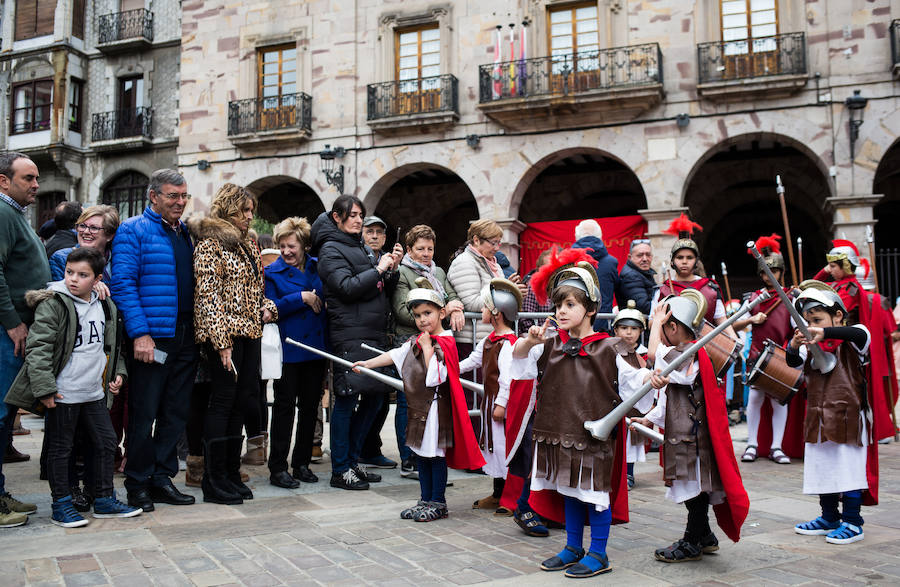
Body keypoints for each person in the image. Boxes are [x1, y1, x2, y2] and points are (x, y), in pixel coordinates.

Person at [511, 248, 658, 578]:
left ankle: (599, 553)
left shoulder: (611, 346)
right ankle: (573, 547)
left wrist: (653, 377)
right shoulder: (549, 344)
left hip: (591, 438)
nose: (561, 311)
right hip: (556, 433)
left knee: (594, 495)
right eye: (558, 305)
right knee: (568, 491)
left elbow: (637, 380)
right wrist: (529, 341)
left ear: (591, 308)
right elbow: (518, 364)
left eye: (570, 305)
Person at [5, 248, 140, 527]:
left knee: (105, 442)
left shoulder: (105, 305)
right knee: (61, 448)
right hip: (63, 392)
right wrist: (45, 388)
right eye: (69, 272)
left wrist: (118, 374)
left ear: (98, 278)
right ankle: (61, 505)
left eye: (82, 275)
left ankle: (103, 499)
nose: (73, 280)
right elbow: (38, 348)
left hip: (93, 393)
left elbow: (113, 348)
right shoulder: (54, 303)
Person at [353, 283, 484, 522]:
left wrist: (426, 349)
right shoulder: (421, 339)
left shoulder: (445, 342)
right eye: (417, 315)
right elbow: (396, 354)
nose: (422, 320)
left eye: (428, 313)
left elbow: (436, 377)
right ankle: (425, 499)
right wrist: (368, 364)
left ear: (441, 313)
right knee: (421, 455)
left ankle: (438, 502)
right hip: (419, 410)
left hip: (437, 410)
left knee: (435, 455)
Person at [634, 291, 749, 563]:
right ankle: (705, 536)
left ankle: (692, 541)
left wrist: (654, 323)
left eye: (662, 329)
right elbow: (672, 395)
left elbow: (653, 355)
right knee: (691, 488)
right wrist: (649, 418)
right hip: (684, 434)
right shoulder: (683, 356)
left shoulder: (689, 355)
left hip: (693, 437)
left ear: (673, 327)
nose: (659, 334)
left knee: (694, 490)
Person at [110, 168, 197, 512]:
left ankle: (163, 478)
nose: (180, 202)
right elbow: (123, 285)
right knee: (144, 415)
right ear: (154, 196)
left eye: (184, 196)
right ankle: (138, 484)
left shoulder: (187, 233)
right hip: (153, 339)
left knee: (175, 413)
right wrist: (140, 333)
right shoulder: (133, 231)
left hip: (186, 337)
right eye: (173, 196)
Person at [310, 196, 402, 490]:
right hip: (349, 332)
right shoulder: (330, 248)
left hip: (372, 331)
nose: (359, 220)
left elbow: (376, 286)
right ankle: (340, 469)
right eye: (352, 215)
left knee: (375, 398)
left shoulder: (357, 245)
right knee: (347, 398)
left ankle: (353, 460)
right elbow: (347, 288)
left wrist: (391, 268)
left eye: (361, 215)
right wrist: (377, 269)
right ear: (337, 217)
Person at [193, 184, 277, 504]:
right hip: (225, 334)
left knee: (244, 401)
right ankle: (213, 480)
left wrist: (268, 306)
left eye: (251, 210)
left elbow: (254, 290)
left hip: (250, 331)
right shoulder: (210, 243)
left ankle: (229, 472)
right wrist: (221, 339)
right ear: (228, 208)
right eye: (243, 210)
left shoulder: (247, 244)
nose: (249, 216)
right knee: (223, 400)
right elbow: (208, 295)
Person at [787, 285, 874, 544]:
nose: (811, 326)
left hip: (849, 417)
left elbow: (857, 333)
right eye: (808, 321)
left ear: (837, 315)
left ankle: (853, 522)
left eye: (817, 319)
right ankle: (829, 517)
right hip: (818, 417)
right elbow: (793, 362)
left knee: (847, 470)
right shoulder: (811, 345)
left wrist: (823, 332)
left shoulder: (857, 337)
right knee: (823, 469)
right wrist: (793, 345)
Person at [388, 225, 465, 477]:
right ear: (409, 249)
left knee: (434, 399)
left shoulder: (439, 271)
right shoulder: (402, 273)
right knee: (408, 399)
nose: (426, 253)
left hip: (436, 342)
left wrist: (454, 307)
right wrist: (429, 315)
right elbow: (401, 310)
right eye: (420, 249)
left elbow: (452, 296)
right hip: (411, 340)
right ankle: (408, 457)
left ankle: (431, 452)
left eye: (430, 249)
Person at [0, 152, 51, 527]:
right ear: (4, 181)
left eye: (36, 178)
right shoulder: (2, 213)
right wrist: (13, 322)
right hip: (7, 333)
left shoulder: (14, 213)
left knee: (6, 415)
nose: (36, 185)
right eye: (28, 178)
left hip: (17, 332)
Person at [264, 217, 327, 488]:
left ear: (303, 246)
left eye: (291, 246)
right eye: (282, 246)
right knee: (283, 409)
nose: (287, 251)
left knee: (310, 407)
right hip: (289, 350)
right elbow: (269, 308)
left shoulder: (318, 268)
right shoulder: (272, 273)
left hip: (316, 349)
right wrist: (302, 298)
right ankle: (278, 467)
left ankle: (301, 463)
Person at [459, 278, 521, 515]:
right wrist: (448, 368)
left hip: (500, 405)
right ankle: (498, 494)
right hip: (489, 403)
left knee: (504, 448)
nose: (482, 311)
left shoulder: (508, 344)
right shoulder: (488, 340)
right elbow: (471, 362)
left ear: (496, 313)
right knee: (493, 448)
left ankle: (509, 496)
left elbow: (507, 378)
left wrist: (501, 405)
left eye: (485, 307)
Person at [733, 235, 794, 465]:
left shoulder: (791, 297)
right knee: (755, 398)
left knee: (779, 400)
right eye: (766, 271)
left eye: (774, 271)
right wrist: (751, 319)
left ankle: (777, 447)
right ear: (760, 274)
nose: (770, 275)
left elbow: (798, 326)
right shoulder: (754, 298)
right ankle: (752, 444)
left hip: (781, 354)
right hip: (758, 354)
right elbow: (734, 324)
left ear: (781, 272)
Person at [358, 215, 400, 471]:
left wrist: (394, 267)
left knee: (382, 397)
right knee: (365, 397)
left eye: (379, 233)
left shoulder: (387, 258)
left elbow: (390, 291)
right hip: (362, 332)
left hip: (383, 334)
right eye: (369, 231)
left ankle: (370, 448)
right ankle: (359, 448)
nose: (374, 236)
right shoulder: (359, 257)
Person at [654, 214, 734, 338]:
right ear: (672, 261)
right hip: (674, 349)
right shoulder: (662, 290)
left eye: (689, 258)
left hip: (706, 348)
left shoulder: (710, 288)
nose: (684, 261)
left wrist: (735, 341)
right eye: (680, 257)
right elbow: (652, 323)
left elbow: (722, 321)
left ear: (696, 262)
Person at [447, 219, 511, 345]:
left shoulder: (494, 264)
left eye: (499, 243)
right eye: (493, 243)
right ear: (476, 240)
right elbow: (471, 303)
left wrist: (514, 291)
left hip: (490, 335)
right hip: (472, 340)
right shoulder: (465, 262)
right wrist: (508, 296)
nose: (497, 248)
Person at [611, 300, 650, 489]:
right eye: (624, 328)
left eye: (634, 328)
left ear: (641, 332)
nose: (629, 332)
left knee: (631, 443)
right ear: (616, 330)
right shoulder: (611, 351)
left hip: (635, 406)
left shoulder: (644, 355)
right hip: (615, 402)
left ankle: (629, 474)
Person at [49, 205, 119, 282]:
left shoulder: (119, 260)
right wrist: (91, 285)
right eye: (82, 226)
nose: (86, 232)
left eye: (94, 228)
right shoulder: (62, 258)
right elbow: (58, 291)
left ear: (109, 235)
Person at [572, 220, 618, 331]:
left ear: (577, 236)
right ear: (600, 236)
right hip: (602, 324)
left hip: (574, 323)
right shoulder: (611, 262)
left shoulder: (567, 260)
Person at [616, 238, 656, 316]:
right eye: (640, 255)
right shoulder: (631, 276)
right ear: (630, 257)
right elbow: (644, 308)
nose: (645, 259)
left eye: (648, 255)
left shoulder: (644, 272)